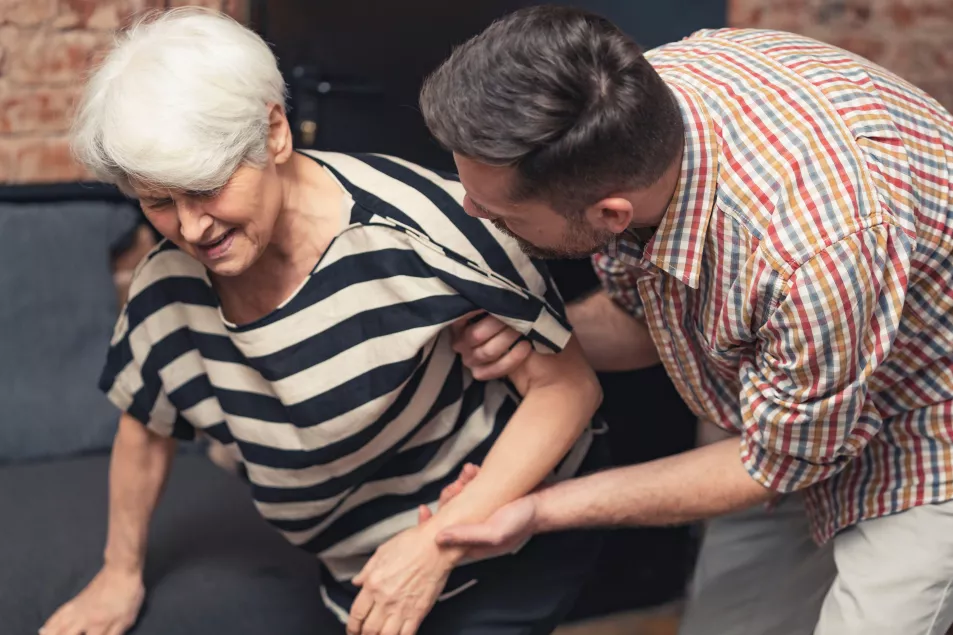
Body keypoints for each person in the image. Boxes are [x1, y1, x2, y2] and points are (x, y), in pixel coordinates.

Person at [40, 8, 608, 635]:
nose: (192, 227)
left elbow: (568, 388)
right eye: (158, 201)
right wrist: (119, 573)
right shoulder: (167, 289)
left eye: (205, 186)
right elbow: (145, 429)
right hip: (357, 569)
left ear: (274, 132)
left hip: (502, 547)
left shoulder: (428, 228)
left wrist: (438, 543)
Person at [417, 6, 953, 635]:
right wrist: (533, 335)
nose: (470, 210)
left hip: (927, 419)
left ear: (612, 214)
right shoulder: (632, 106)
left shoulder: (813, 254)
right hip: (787, 394)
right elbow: (640, 321)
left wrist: (536, 510)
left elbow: (770, 464)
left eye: (503, 212)